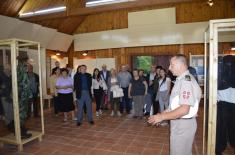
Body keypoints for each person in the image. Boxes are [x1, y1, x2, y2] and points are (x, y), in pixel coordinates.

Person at [148, 54, 202, 155]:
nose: (169, 68)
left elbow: (184, 110)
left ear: (180, 65)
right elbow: (174, 105)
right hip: (180, 123)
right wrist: (161, 116)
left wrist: (162, 117)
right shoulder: (181, 80)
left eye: (171, 65)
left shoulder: (186, 81)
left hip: (183, 124)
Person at [17, 53, 33, 139]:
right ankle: (21, 133)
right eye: (27, 59)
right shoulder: (22, 67)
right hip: (23, 94)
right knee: (22, 114)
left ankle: (22, 130)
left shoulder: (20, 67)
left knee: (23, 113)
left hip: (23, 94)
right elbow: (23, 83)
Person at [0, 65, 14, 132]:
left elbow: (12, 85)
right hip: (4, 96)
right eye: (7, 69)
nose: (8, 70)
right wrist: (1, 88)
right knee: (6, 111)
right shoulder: (1, 75)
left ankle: (11, 123)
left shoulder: (10, 76)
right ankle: (8, 124)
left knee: (11, 110)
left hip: (10, 96)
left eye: (9, 69)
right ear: (4, 69)